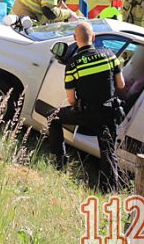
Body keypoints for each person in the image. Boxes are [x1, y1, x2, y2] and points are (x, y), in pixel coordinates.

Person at [48, 22, 126, 192]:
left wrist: (81, 109)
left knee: (53, 118)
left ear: (75, 39)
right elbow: (121, 84)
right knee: (108, 152)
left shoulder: (73, 64)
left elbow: (70, 100)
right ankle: (109, 191)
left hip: (85, 113)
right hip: (108, 112)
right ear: (94, 37)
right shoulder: (109, 55)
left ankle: (60, 164)